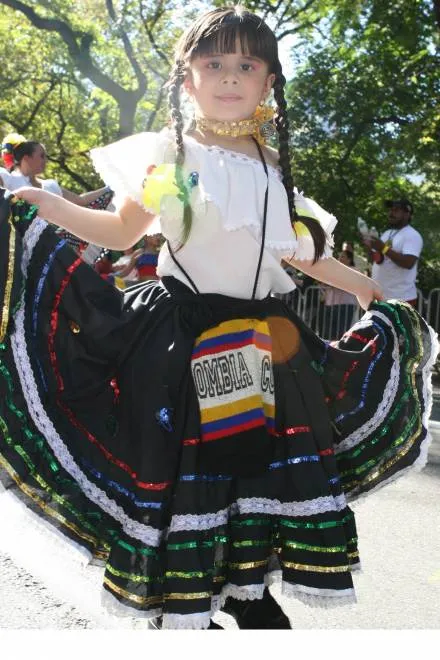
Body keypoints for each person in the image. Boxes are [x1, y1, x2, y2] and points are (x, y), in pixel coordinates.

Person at [0, 6, 437, 631]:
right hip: (181, 343)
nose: (229, 76)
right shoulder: (168, 154)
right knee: (192, 475)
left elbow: (306, 255)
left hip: (264, 346)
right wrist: (46, 202)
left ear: (267, 82)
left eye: (246, 64)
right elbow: (120, 231)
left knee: (252, 471)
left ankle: (245, 589)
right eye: (214, 63)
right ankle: (191, 608)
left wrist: (369, 287)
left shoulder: (272, 166)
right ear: (188, 79)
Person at [0, 133, 110, 206]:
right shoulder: (8, 180)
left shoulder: (51, 185)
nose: (46, 160)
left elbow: (81, 201)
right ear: (27, 158)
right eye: (42, 156)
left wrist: (109, 188)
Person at [363, 199, 423, 306]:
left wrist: (383, 248)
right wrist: (369, 247)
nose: (391, 213)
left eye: (396, 210)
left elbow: (408, 263)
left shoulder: (412, 235)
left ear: (407, 214)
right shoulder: (387, 233)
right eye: (390, 210)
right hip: (380, 297)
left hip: (400, 299)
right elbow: (378, 260)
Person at [320, 249, 359, 339]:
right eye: (339, 256)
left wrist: (330, 282)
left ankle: (340, 350)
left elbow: (340, 282)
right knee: (329, 332)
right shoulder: (334, 270)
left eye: (343, 256)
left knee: (341, 331)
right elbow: (324, 282)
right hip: (330, 304)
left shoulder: (353, 270)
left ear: (349, 259)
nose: (339, 258)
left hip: (345, 304)